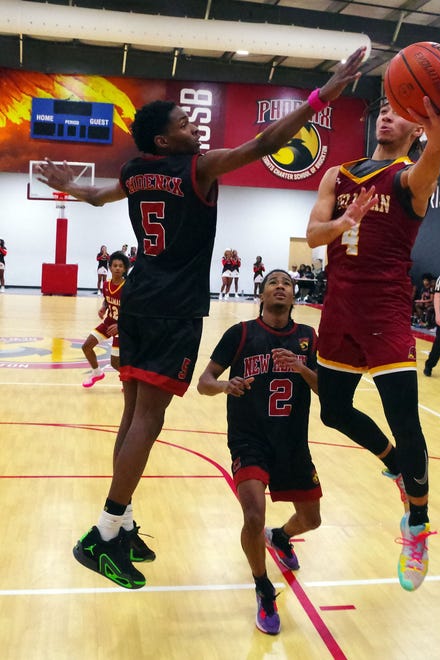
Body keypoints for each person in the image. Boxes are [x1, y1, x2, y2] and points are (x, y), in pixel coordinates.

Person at [35, 46, 367, 590]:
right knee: (150, 419)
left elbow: (96, 196)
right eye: (186, 122)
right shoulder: (198, 168)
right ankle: (101, 531)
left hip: (138, 298)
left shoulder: (138, 170)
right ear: (166, 140)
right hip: (173, 307)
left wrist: (66, 184)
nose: (196, 126)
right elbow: (265, 144)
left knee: (132, 415)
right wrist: (320, 97)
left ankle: (120, 525)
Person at [306, 85, 440, 592]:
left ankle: (416, 526)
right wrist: (344, 221)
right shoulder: (338, 174)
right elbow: (312, 236)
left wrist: (439, 137)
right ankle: (394, 464)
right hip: (338, 310)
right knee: (332, 410)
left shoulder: (410, 179)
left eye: (400, 114)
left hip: (387, 311)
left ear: (415, 128)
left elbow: (432, 161)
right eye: (383, 111)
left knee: (407, 421)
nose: (386, 117)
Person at [197, 269, 321, 635]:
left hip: (293, 441)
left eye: (287, 284)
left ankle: (280, 536)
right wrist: (224, 386)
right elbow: (203, 383)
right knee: (253, 516)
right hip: (249, 439)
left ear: (294, 297)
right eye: (273, 283)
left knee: (312, 520)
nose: (280, 287)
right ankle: (263, 587)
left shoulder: (308, 338)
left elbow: (327, 391)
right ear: (262, 296)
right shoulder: (241, 334)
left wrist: (301, 368)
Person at [81, 251, 130, 388]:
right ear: (110, 267)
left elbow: (134, 311)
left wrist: (120, 326)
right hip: (109, 322)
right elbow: (107, 300)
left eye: (121, 266)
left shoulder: (127, 287)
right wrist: (103, 307)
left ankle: (130, 380)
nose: (118, 268)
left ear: (125, 269)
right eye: (115, 265)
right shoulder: (106, 285)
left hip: (123, 326)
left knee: (115, 362)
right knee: (86, 346)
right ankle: (97, 372)